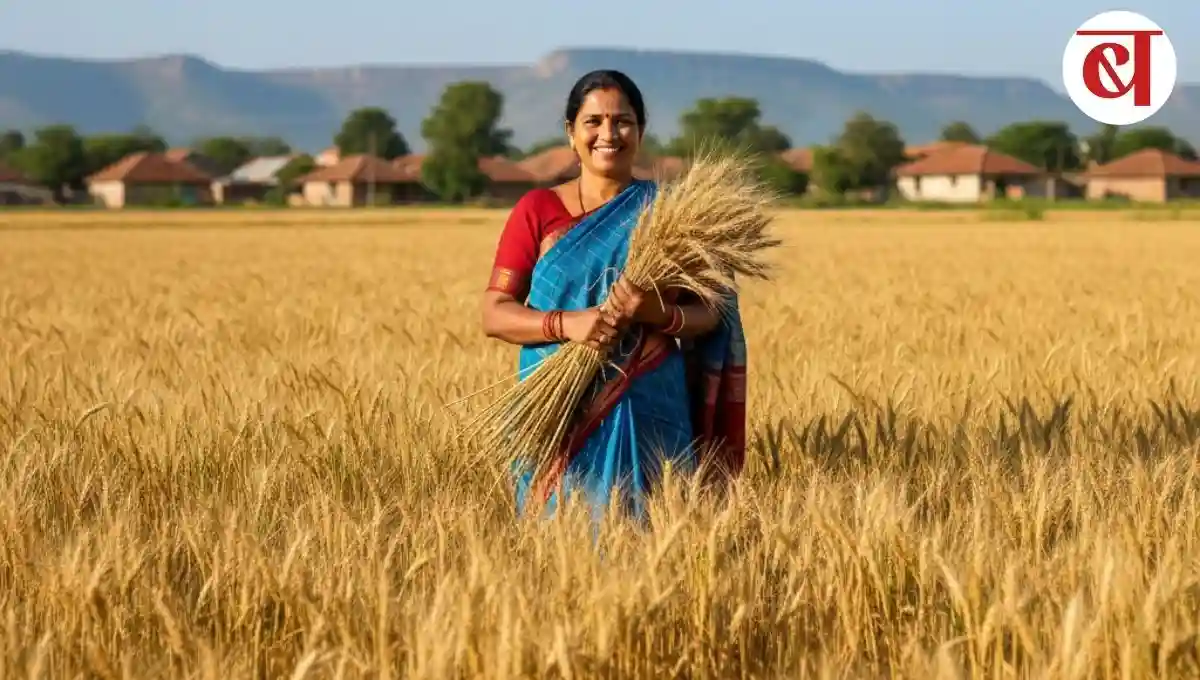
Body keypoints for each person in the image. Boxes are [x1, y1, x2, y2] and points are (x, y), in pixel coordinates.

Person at [480, 69, 748, 523]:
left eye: (622, 121)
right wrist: (567, 324)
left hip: (651, 404)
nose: (609, 134)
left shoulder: (673, 214)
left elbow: (712, 313)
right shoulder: (537, 211)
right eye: (593, 121)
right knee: (558, 541)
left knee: (657, 532)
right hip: (555, 409)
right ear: (571, 132)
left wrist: (656, 311)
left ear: (640, 131)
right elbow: (494, 313)